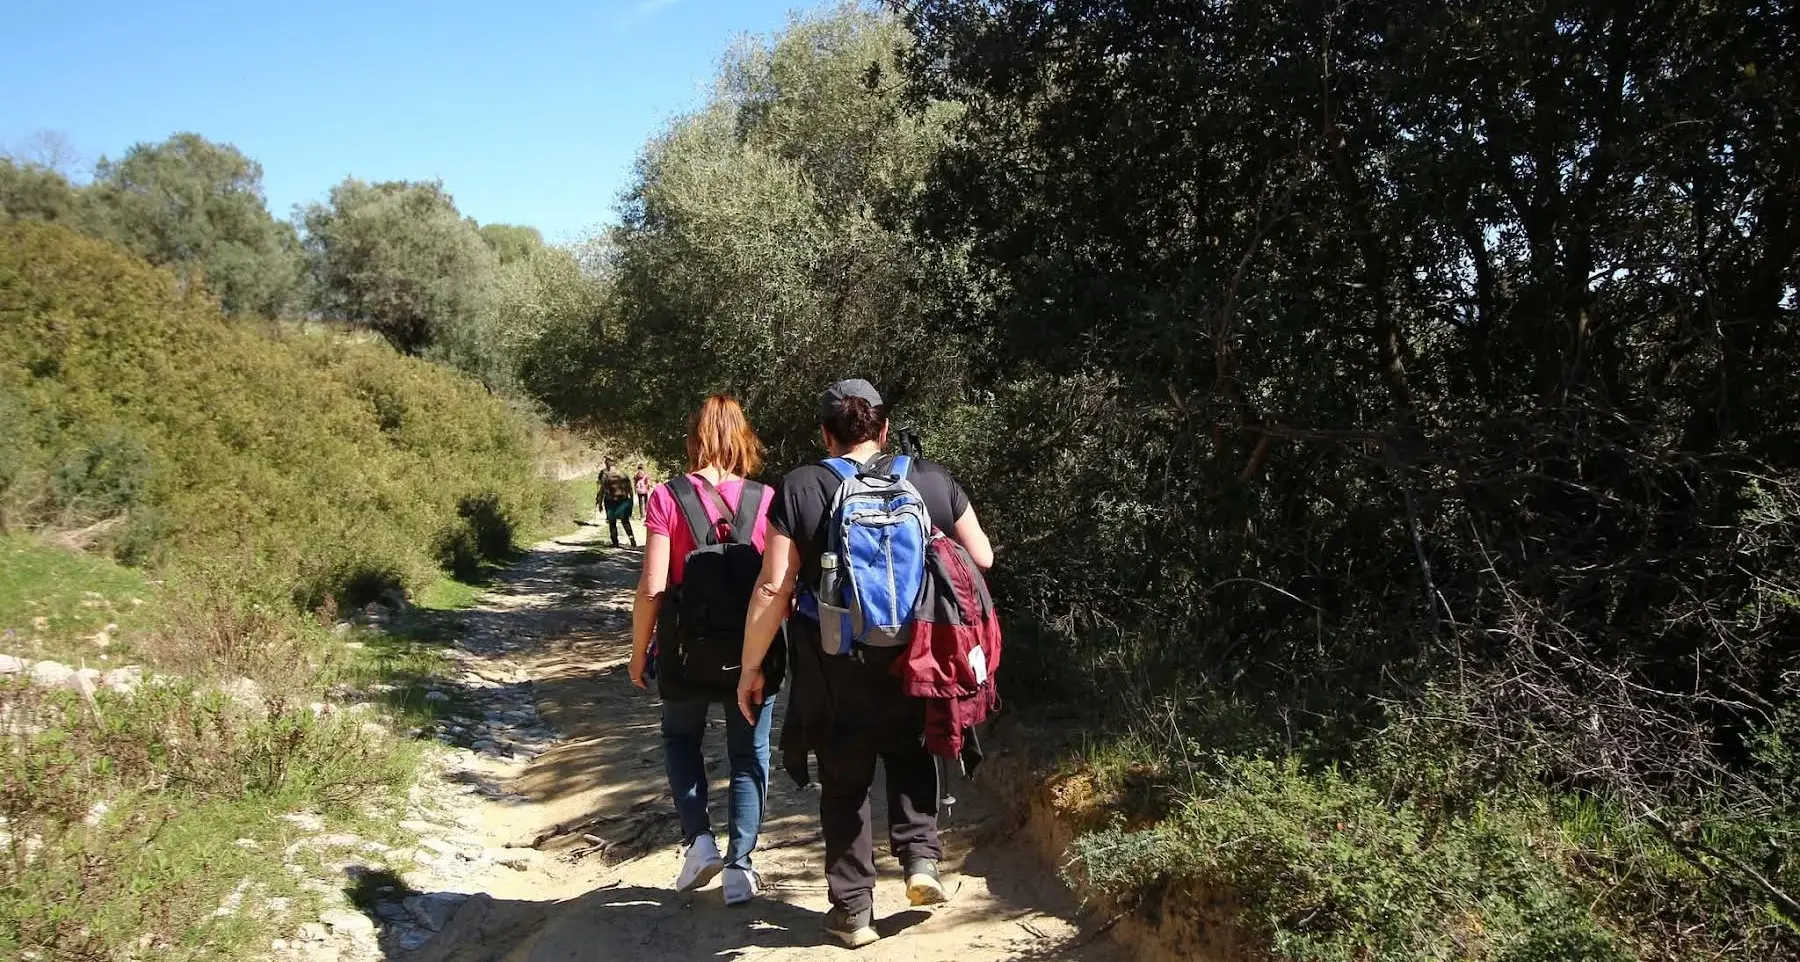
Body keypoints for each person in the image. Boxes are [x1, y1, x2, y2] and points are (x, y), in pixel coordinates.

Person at [737, 379, 993, 948]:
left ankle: (853, 911)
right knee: (910, 750)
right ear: (883, 427)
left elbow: (772, 587)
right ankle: (921, 861)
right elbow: (982, 557)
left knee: (845, 781)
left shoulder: (802, 486)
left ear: (827, 434)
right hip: (918, 654)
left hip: (835, 660)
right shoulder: (929, 478)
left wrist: (753, 666)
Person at [630, 394, 784, 906]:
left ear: (694, 438)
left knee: (680, 740)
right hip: (751, 650)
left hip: (683, 650)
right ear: (743, 439)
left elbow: (653, 587)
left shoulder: (666, 498)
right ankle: (740, 867)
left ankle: (699, 842)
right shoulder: (767, 499)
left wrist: (638, 652)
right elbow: (779, 584)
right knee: (749, 754)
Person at [599, 458, 638, 548]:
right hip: (624, 500)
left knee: (612, 522)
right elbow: (630, 489)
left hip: (611, 501)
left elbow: (602, 491)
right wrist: (631, 500)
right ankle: (632, 539)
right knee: (625, 521)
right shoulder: (624, 474)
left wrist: (600, 503)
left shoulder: (607, 476)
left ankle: (615, 542)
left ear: (608, 465)